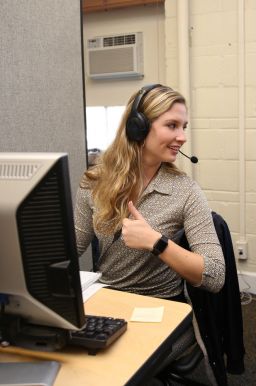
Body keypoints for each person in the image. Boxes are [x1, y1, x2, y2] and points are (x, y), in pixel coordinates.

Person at [75, 84, 225, 300]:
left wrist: (156, 242)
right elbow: (72, 249)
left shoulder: (185, 191)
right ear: (139, 127)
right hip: (106, 298)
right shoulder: (94, 182)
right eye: (172, 125)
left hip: (160, 304)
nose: (182, 137)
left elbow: (216, 275)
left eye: (184, 127)